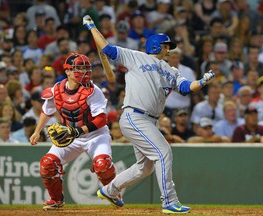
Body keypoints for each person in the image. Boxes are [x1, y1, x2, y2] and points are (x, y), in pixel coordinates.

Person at [83, 15, 215, 213]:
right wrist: (92, 27)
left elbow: (187, 87)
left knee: (144, 167)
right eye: (165, 46)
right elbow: (108, 49)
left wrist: (203, 82)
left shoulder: (172, 70)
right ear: (155, 46)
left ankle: (110, 190)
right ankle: (169, 201)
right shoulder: (136, 56)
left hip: (150, 121)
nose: (168, 49)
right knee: (163, 153)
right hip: (135, 115)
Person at [29, 52, 118, 210]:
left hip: (95, 135)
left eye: (86, 69)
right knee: (47, 164)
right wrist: (37, 131)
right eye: (79, 69)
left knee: (102, 165)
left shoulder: (93, 90)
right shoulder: (57, 89)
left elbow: (101, 120)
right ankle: (56, 200)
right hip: (71, 136)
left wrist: (77, 131)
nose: (83, 73)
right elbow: (47, 111)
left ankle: (113, 192)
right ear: (67, 71)